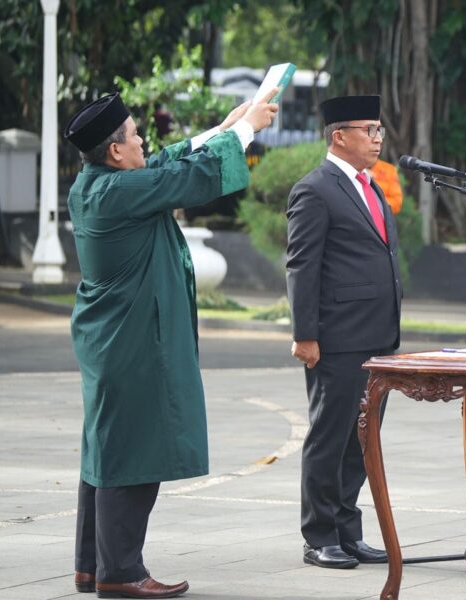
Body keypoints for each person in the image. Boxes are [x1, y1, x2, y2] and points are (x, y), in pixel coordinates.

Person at [64, 90, 278, 597]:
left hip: (114, 339)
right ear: (116, 151)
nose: (143, 141)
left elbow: (163, 164)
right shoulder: (117, 192)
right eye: (135, 135)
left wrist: (223, 129)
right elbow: (184, 178)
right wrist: (246, 132)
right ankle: (121, 573)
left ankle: (91, 565)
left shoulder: (94, 184)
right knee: (134, 452)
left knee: (106, 448)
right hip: (133, 341)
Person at [287, 95, 400, 570]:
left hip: (377, 337)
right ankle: (319, 536)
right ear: (339, 136)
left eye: (379, 130)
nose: (377, 138)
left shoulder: (369, 186)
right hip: (337, 338)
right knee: (329, 437)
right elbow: (301, 265)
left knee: (362, 440)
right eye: (369, 129)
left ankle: (349, 532)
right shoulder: (315, 188)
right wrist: (305, 334)